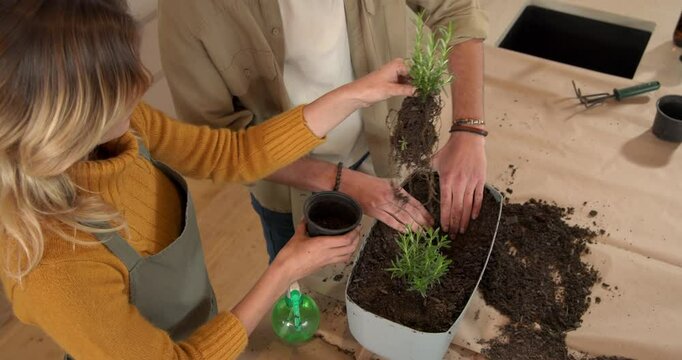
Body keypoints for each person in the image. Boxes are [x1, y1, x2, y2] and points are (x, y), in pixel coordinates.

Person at [0, 1, 415, 358]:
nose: (144, 83)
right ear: (66, 114)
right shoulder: (53, 264)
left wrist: (356, 93)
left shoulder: (124, 129)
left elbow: (232, 154)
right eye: (122, 80)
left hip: (201, 329)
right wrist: (285, 269)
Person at [159, 0, 489, 261]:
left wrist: (469, 129)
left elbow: (456, 9)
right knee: (312, 301)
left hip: (391, 152)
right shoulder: (191, 11)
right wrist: (344, 182)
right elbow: (216, 145)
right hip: (291, 187)